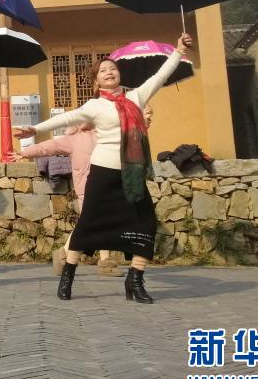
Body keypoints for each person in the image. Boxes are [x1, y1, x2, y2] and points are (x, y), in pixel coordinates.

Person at [14, 34, 192, 304]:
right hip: (103, 173)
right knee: (88, 224)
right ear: (96, 81)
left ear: (119, 75)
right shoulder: (95, 106)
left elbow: (160, 76)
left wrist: (178, 51)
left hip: (131, 173)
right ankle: (68, 275)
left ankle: (135, 280)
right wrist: (34, 129)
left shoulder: (136, 97)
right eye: (103, 70)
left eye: (112, 68)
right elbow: (67, 118)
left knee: (146, 223)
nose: (109, 72)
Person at [9, 104, 154, 278]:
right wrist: (24, 153)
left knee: (102, 221)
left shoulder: (106, 135)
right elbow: (48, 146)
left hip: (107, 186)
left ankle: (101, 260)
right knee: (90, 223)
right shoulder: (74, 139)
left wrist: (141, 123)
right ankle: (66, 253)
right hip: (86, 188)